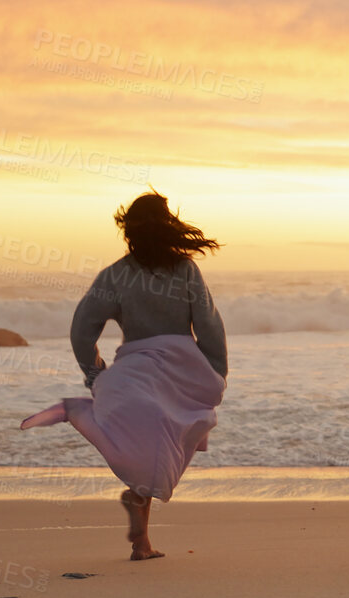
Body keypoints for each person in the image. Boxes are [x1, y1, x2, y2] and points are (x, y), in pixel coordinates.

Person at [21, 192, 228, 561]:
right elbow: (210, 324)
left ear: (128, 229)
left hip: (134, 371)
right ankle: (141, 528)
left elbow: (82, 330)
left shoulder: (114, 275)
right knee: (177, 436)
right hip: (183, 370)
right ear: (169, 227)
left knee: (147, 441)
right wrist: (214, 371)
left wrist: (95, 374)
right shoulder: (185, 270)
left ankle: (142, 538)